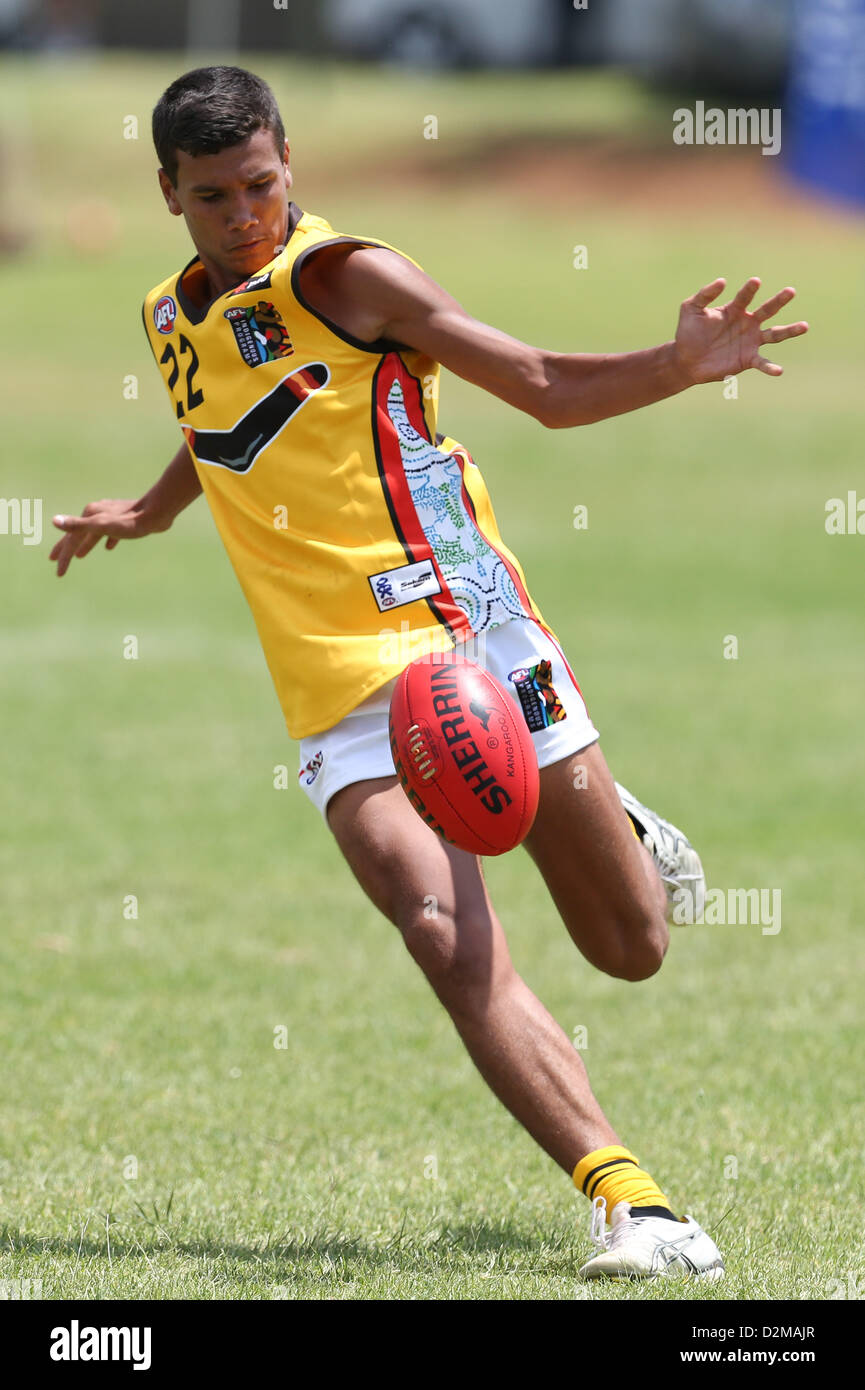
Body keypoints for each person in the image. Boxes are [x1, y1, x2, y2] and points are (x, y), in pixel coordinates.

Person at [50, 66, 808, 1280]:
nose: (243, 213)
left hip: (466, 637)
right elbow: (226, 429)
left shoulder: (351, 277)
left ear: (290, 162)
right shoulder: (168, 314)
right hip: (334, 690)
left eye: (259, 184)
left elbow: (545, 387)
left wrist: (678, 366)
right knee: (439, 929)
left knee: (631, 946)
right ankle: (635, 1203)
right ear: (167, 196)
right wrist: (147, 511)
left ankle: (613, 812)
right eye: (211, 196)